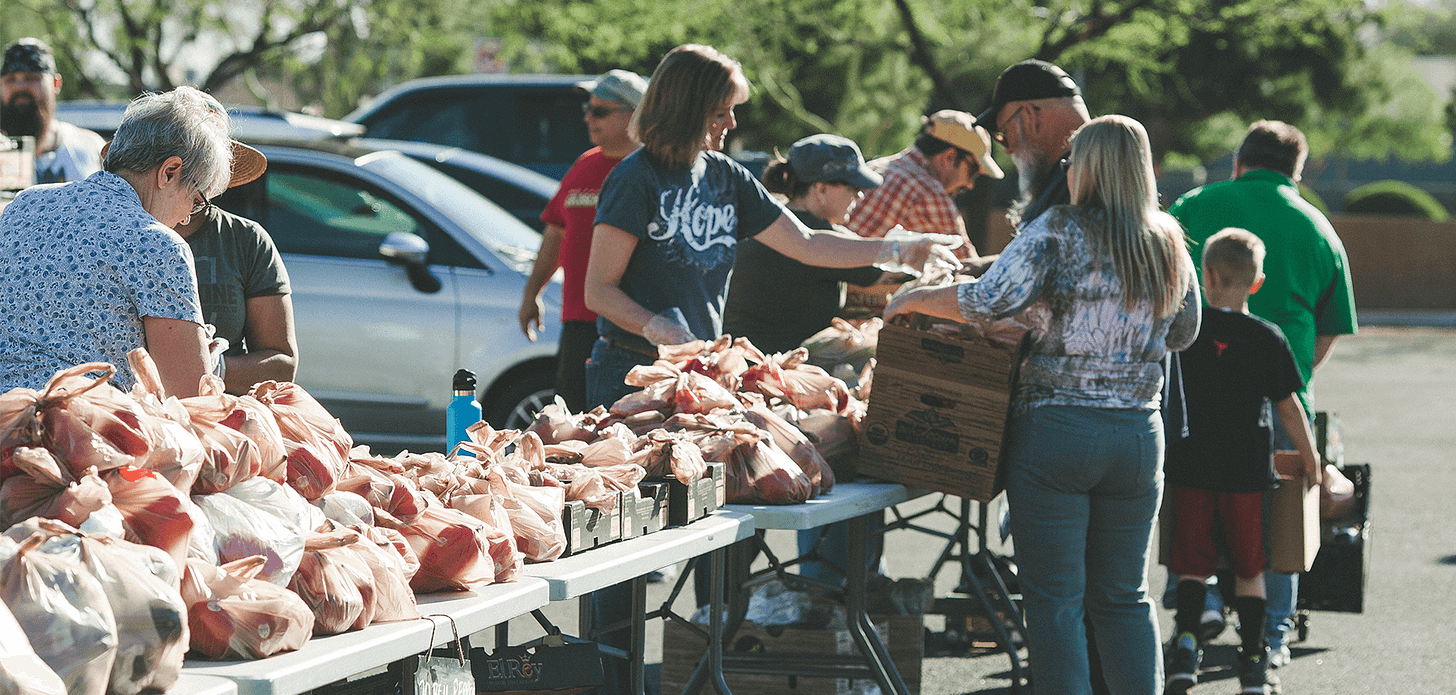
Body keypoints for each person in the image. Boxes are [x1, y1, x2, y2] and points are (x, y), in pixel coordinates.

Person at [582, 43, 958, 695]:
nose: (732, 125)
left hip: (704, 386)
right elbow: (598, 289)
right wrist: (657, 327)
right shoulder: (635, 176)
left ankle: (706, 667)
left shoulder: (727, 177)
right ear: (690, 105)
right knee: (624, 552)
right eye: (724, 111)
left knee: (719, 533)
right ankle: (609, 678)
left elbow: (808, 242)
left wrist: (902, 247)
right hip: (631, 380)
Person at [884, 115, 1201, 695]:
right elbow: (1184, 334)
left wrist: (915, 297)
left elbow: (989, 298)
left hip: (1059, 427)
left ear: (1094, 168)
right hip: (1137, 434)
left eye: (1073, 161)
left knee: (1056, 603)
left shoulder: (1058, 229)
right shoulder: (1169, 240)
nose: (1068, 171)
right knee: (1125, 596)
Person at [1169, 120, 1358, 668]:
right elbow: (1329, 328)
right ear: (1295, 173)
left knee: (1189, 500)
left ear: (1238, 164)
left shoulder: (1193, 204)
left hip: (1191, 390)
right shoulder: (1318, 226)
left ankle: (1196, 603)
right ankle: (1272, 634)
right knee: (1279, 520)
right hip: (1277, 396)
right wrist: (1288, 376)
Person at [1164, 228, 1321, 695]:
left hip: (1191, 468)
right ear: (1257, 283)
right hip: (1247, 474)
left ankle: (1185, 650)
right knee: (1251, 567)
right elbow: (1289, 406)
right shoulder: (1266, 338)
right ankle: (1252, 663)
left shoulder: (1187, 334)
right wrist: (1311, 459)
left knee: (1193, 563)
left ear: (1205, 276)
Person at [0, 86, 233, 397]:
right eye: (196, 198)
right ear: (169, 172)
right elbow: (192, 397)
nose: (188, 216)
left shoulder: (24, 205)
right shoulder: (158, 245)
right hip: (80, 432)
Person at [518, 68, 648, 412]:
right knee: (572, 424)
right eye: (587, 109)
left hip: (629, 328)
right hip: (578, 322)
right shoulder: (584, 164)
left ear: (634, 114)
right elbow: (555, 235)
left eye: (600, 111)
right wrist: (533, 294)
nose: (589, 118)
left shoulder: (650, 169)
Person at [723, 133, 886, 354]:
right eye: (852, 187)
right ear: (821, 189)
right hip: (774, 365)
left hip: (732, 352)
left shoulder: (771, 216)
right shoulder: (817, 234)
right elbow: (887, 269)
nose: (859, 196)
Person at [173, 142, 298, 393]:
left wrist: (213, 369)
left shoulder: (246, 239)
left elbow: (282, 365)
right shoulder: (124, 233)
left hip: (224, 417)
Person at [843, 109, 1004, 273]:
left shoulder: (874, 167)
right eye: (973, 170)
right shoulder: (930, 193)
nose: (970, 184)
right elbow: (968, 268)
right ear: (948, 157)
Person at [976, 59, 1090, 229]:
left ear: (1030, 116)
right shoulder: (1095, 171)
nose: (1008, 149)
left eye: (1004, 134)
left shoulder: (1077, 182)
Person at [0, 38, 105, 184]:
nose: (20, 87)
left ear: (56, 84)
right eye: (10, 80)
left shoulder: (91, 148)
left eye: (31, 78)